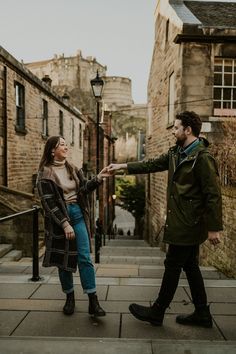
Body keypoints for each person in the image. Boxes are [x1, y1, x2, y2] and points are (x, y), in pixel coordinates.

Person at [107, 111, 222, 328]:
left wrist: (214, 228)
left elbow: (213, 194)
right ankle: (202, 313)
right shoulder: (176, 152)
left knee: (172, 264)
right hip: (181, 220)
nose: (172, 131)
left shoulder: (203, 158)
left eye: (176, 127)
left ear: (188, 130)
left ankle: (157, 311)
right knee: (190, 266)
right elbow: (151, 164)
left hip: (188, 223)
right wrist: (122, 167)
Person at [37, 135, 109, 316]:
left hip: (77, 215)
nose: (66, 147)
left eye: (66, 144)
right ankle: (69, 297)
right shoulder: (45, 173)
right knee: (64, 261)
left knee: (84, 257)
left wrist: (98, 178)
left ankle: (93, 301)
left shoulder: (74, 169)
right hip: (59, 221)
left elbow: (83, 189)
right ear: (52, 150)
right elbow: (49, 203)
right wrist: (64, 223)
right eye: (62, 145)